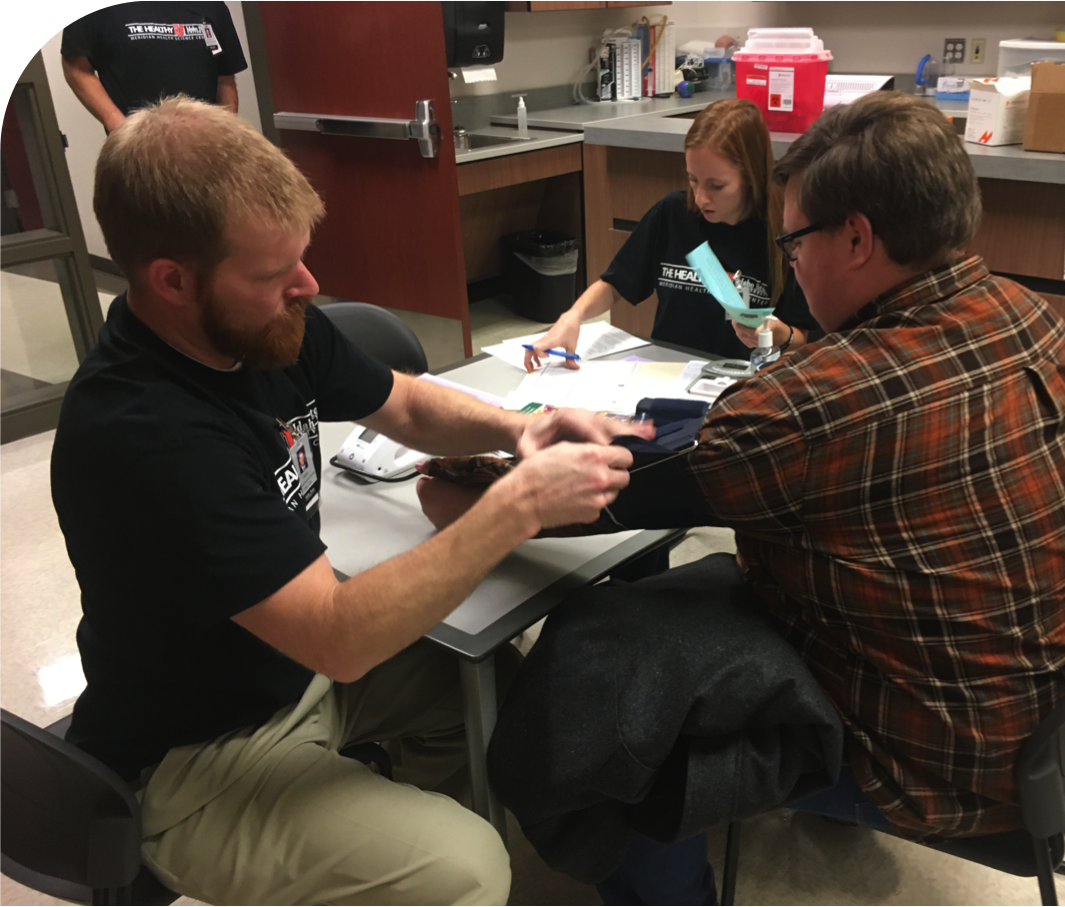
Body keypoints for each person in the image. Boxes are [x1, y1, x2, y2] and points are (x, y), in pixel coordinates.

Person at [424, 91, 1065, 904]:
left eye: (794, 240)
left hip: (934, 762)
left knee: (618, 736)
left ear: (857, 237)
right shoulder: (1026, 315)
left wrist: (481, 487)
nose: (790, 261)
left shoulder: (821, 403)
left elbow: (608, 492)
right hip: (1040, 721)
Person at [50, 96, 649, 907]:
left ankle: (373, 837)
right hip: (196, 752)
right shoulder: (143, 434)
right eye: (274, 273)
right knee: (468, 871)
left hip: (288, 672)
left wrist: (523, 430)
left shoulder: (262, 324)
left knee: (510, 697)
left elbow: (403, 403)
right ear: (171, 281)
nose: (309, 284)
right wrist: (518, 503)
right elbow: (338, 637)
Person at [523, 98, 817, 372]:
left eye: (716, 186)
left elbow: (805, 339)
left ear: (751, 177)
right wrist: (572, 317)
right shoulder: (674, 214)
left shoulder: (784, 234)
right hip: (667, 372)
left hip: (737, 384)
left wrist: (779, 334)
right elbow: (615, 283)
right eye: (693, 180)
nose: (701, 198)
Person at [62, 2, 246, 133]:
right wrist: (118, 125)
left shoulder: (211, 5)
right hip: (137, 150)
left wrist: (227, 133)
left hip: (207, 147)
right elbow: (76, 67)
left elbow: (225, 78)